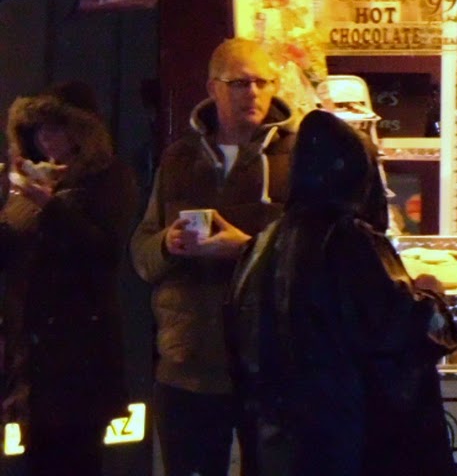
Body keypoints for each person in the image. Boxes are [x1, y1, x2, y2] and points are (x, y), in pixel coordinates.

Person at [227, 110, 456, 476]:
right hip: (351, 447)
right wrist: (432, 297)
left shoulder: (259, 246)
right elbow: (400, 334)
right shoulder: (351, 241)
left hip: (274, 450)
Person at [130, 38, 300, 476]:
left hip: (268, 365)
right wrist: (168, 244)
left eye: (264, 82)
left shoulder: (297, 158)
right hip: (187, 367)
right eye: (240, 82)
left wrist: (246, 249)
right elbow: (141, 254)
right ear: (213, 88)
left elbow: (318, 261)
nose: (255, 93)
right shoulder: (180, 158)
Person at [0, 83, 139, 476]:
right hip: (31, 361)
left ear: (81, 132)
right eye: (39, 130)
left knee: (76, 460)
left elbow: (102, 252)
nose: (47, 139)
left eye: (57, 129)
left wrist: (51, 206)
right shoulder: (27, 184)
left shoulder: (106, 179)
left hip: (81, 359)